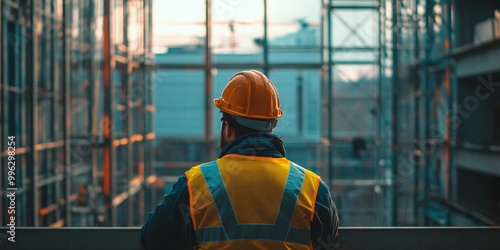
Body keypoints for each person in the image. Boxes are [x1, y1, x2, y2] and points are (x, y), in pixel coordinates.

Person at [141, 70, 339, 249]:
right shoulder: (312, 187)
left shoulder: (196, 185)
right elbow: (328, 243)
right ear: (272, 125)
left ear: (227, 127)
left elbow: (152, 240)